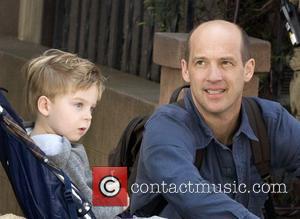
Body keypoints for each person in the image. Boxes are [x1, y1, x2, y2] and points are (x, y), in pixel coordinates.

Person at [130, 20, 300, 218]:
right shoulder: (165, 127)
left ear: (248, 69)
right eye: (201, 62)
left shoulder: (270, 120)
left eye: (225, 62)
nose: (213, 76)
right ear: (186, 70)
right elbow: (191, 196)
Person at [24, 49, 123, 218]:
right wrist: (120, 200)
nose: (88, 116)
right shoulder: (63, 157)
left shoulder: (29, 140)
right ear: (45, 106)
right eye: (78, 105)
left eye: (91, 108)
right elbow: (91, 210)